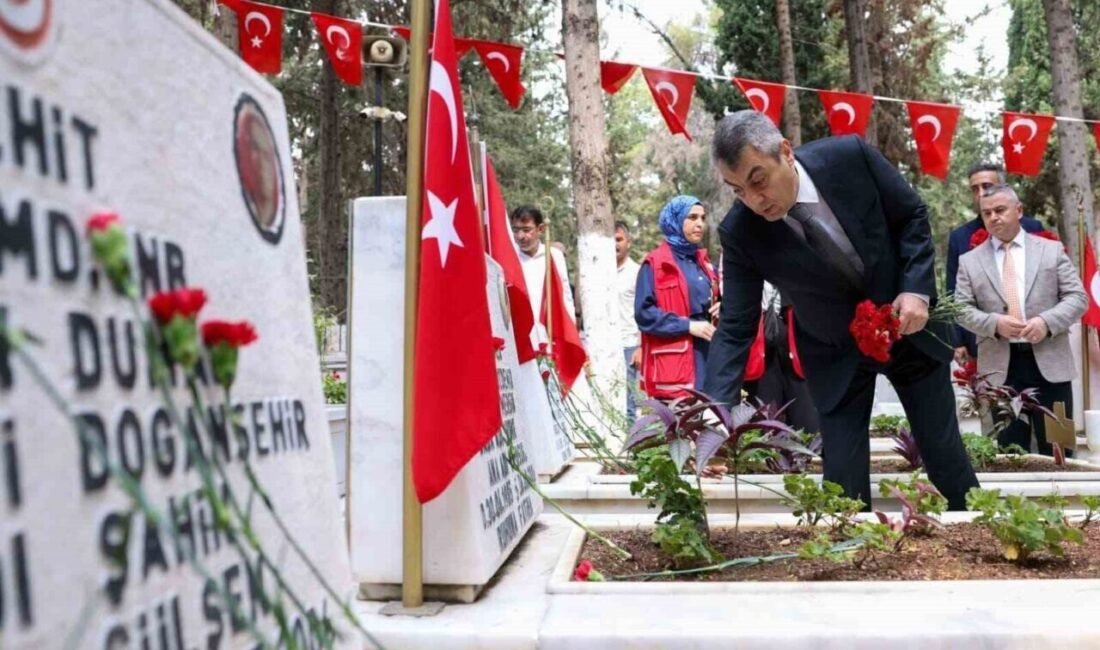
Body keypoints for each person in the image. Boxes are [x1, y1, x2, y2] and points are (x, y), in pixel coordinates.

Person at [702, 110, 978, 510]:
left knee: (942, 450)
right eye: (737, 190)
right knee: (842, 474)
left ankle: (977, 530)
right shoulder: (740, 231)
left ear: (785, 152)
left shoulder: (850, 158)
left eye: (758, 180)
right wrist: (716, 411)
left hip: (908, 325)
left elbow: (911, 216)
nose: (753, 200)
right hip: (834, 349)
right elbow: (735, 326)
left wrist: (916, 289)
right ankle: (851, 557)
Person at [955, 184, 1086, 457]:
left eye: (1000, 210)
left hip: (1051, 366)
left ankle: (1061, 498)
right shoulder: (969, 261)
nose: (993, 217)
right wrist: (993, 323)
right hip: (1000, 371)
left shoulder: (1051, 250)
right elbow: (960, 308)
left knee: (1060, 449)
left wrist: (1046, 322)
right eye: (986, 213)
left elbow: (1078, 298)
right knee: (1009, 453)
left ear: (1019, 210)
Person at [946, 162, 1045, 364]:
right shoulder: (960, 237)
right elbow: (952, 293)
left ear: (1003, 187)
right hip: (984, 343)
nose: (981, 193)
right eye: (975, 189)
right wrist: (956, 340)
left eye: (986, 186)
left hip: (1036, 340)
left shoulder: (1032, 228)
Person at [635, 196, 721, 398]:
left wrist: (722, 306)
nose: (699, 224)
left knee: (711, 423)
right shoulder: (655, 264)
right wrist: (688, 325)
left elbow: (716, 297)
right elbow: (644, 314)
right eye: (692, 217)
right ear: (675, 219)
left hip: (708, 355)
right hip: (674, 364)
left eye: (702, 218)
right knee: (681, 426)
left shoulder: (703, 262)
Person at [511, 206, 576, 337]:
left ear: (540, 229)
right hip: (519, 333)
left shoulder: (554, 256)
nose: (520, 236)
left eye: (526, 230)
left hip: (548, 331)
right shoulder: (510, 257)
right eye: (516, 230)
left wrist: (571, 329)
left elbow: (565, 296)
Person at [614, 220, 642, 421]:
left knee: (628, 406)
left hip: (629, 345)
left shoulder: (637, 272)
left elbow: (643, 312)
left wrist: (641, 346)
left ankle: (631, 451)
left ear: (628, 242)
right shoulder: (597, 273)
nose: (614, 245)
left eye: (618, 239)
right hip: (604, 345)